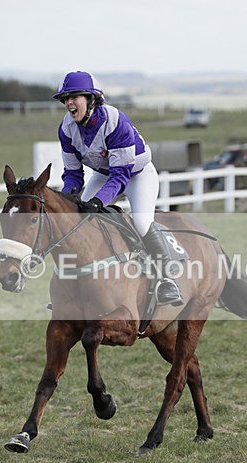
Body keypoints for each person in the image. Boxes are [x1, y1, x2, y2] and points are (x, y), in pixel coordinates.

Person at [53, 71, 183, 306]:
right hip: (104, 176)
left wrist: (98, 202)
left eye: (74, 97)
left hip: (137, 175)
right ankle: (75, 285)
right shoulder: (66, 129)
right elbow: (73, 175)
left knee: (142, 223)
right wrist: (66, 199)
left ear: (91, 99)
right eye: (66, 99)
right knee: (79, 220)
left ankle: (167, 280)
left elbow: (121, 176)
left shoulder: (115, 122)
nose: (69, 103)